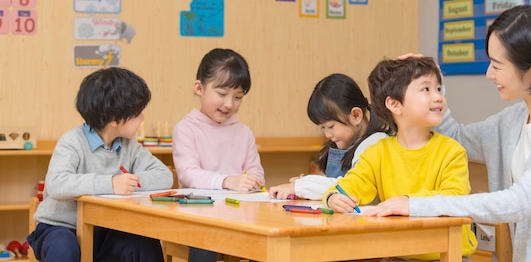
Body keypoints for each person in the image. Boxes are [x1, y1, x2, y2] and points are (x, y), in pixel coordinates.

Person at [367, 5, 531, 262]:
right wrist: (432, 78)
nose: (489, 74)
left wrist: (415, 205)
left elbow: (520, 201)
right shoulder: (511, 121)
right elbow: (455, 136)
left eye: (497, 65)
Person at [324, 56, 477, 261]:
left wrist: (409, 202)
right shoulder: (377, 153)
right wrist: (333, 197)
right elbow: (351, 184)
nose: (439, 96)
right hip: (397, 254)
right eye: (426, 89)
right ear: (395, 104)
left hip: (445, 254)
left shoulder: (452, 152)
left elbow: (454, 198)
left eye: (438, 88)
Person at [27, 67, 173, 262]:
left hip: (107, 230)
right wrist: (110, 184)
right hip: (60, 227)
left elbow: (164, 176)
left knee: (144, 244)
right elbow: (56, 184)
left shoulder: (129, 145)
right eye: (138, 113)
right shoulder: (72, 141)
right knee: (63, 248)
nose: (142, 118)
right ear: (114, 119)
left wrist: (131, 183)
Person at [172, 48, 264, 262]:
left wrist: (252, 182)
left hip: (239, 217)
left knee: (266, 242)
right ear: (199, 88)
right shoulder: (186, 129)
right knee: (207, 242)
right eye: (222, 94)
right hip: (199, 219)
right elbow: (188, 174)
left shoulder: (243, 133)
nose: (229, 104)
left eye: (238, 97)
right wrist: (227, 181)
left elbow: (256, 174)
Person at [268, 73, 391, 200]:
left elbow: (347, 187)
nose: (327, 134)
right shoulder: (349, 143)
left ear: (356, 115)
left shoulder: (375, 144)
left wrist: (302, 187)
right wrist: (308, 184)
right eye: (323, 128)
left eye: (331, 126)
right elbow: (336, 183)